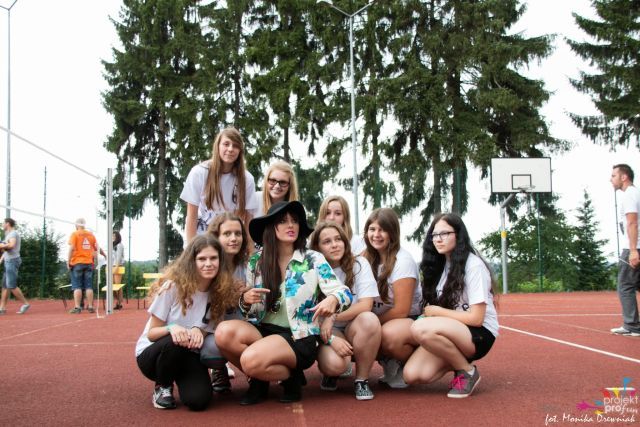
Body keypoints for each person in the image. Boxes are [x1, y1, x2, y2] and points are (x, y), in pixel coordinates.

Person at [214, 201, 352, 405]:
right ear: (271, 227)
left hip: (298, 336)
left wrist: (333, 298)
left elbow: (344, 293)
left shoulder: (313, 259)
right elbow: (250, 312)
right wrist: (245, 300)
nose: (290, 225)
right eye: (283, 221)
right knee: (223, 333)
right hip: (264, 329)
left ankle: (282, 377)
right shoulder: (256, 261)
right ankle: (266, 379)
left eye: (294, 221)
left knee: (250, 360)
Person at [135, 234, 238, 410]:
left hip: (188, 352)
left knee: (199, 400)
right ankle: (163, 386)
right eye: (202, 259)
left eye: (213, 258)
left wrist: (199, 330)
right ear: (192, 261)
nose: (208, 264)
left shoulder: (219, 292)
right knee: (176, 340)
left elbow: (209, 326)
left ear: (220, 261)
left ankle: (183, 379)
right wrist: (171, 328)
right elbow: (152, 334)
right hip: (154, 354)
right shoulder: (172, 287)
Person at [401, 213, 499, 398]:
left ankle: (467, 371)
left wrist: (438, 312)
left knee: (420, 329)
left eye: (444, 233)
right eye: (434, 235)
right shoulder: (440, 265)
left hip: (479, 333)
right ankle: (458, 363)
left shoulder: (473, 266)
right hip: (453, 330)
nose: (438, 239)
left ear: (458, 235)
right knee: (412, 375)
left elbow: (476, 318)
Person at [309, 221, 380, 400]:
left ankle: (362, 380)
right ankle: (331, 372)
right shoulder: (310, 270)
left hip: (353, 324)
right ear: (317, 247)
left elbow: (366, 305)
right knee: (335, 365)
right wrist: (331, 339)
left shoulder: (359, 264)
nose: (334, 245)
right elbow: (308, 315)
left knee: (370, 319)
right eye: (327, 242)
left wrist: (333, 316)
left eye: (338, 239)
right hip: (325, 329)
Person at [362, 207, 420, 389]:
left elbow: (401, 310)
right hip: (383, 318)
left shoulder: (403, 261)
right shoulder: (365, 258)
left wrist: (372, 325)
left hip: (409, 319)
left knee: (386, 335)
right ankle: (389, 361)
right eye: (372, 229)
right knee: (358, 330)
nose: (376, 235)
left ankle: (406, 363)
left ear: (392, 233)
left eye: (382, 230)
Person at [180, 127, 258, 243]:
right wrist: (192, 248)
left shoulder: (247, 179)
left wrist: (249, 248)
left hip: (230, 238)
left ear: (240, 151)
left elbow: (248, 219)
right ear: (218, 146)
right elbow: (191, 216)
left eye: (235, 146)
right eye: (226, 144)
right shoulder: (199, 172)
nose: (230, 149)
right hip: (202, 237)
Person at [203, 212, 250, 392]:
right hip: (214, 328)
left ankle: (255, 371)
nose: (233, 238)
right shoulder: (208, 266)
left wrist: (247, 297)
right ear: (216, 237)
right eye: (227, 234)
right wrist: (233, 296)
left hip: (243, 324)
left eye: (238, 233)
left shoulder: (248, 265)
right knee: (210, 350)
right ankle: (218, 368)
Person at [610, 164, 640, 336]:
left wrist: (633, 250)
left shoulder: (629, 195)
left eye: (614, 176)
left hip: (633, 248)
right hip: (635, 247)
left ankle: (632, 326)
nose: (611, 179)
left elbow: (632, 222)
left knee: (625, 286)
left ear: (624, 177)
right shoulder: (635, 193)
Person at [68, 218, 100, 314]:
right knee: (89, 286)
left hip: (77, 262)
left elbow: (71, 248)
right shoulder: (91, 235)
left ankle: (77, 307)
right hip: (89, 263)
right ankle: (90, 306)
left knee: (77, 286)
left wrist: (68, 261)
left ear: (76, 225)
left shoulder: (75, 234)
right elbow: (96, 249)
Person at [0, 218, 30, 315]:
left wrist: (1, 246)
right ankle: (2, 309)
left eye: (3, 223)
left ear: (8, 223)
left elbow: (12, 245)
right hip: (8, 261)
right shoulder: (8, 234)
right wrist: (1, 259)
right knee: (5, 286)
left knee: (11, 286)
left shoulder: (13, 233)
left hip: (12, 261)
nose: (2, 225)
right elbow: (6, 250)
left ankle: (26, 304)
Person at [112, 231, 125, 310]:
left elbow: (119, 257)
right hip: (112, 266)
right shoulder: (112, 245)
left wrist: (116, 267)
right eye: (112, 236)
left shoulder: (119, 245)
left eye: (114, 236)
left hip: (118, 266)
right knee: (112, 285)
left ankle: (119, 303)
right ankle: (117, 300)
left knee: (117, 285)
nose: (113, 237)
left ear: (117, 237)